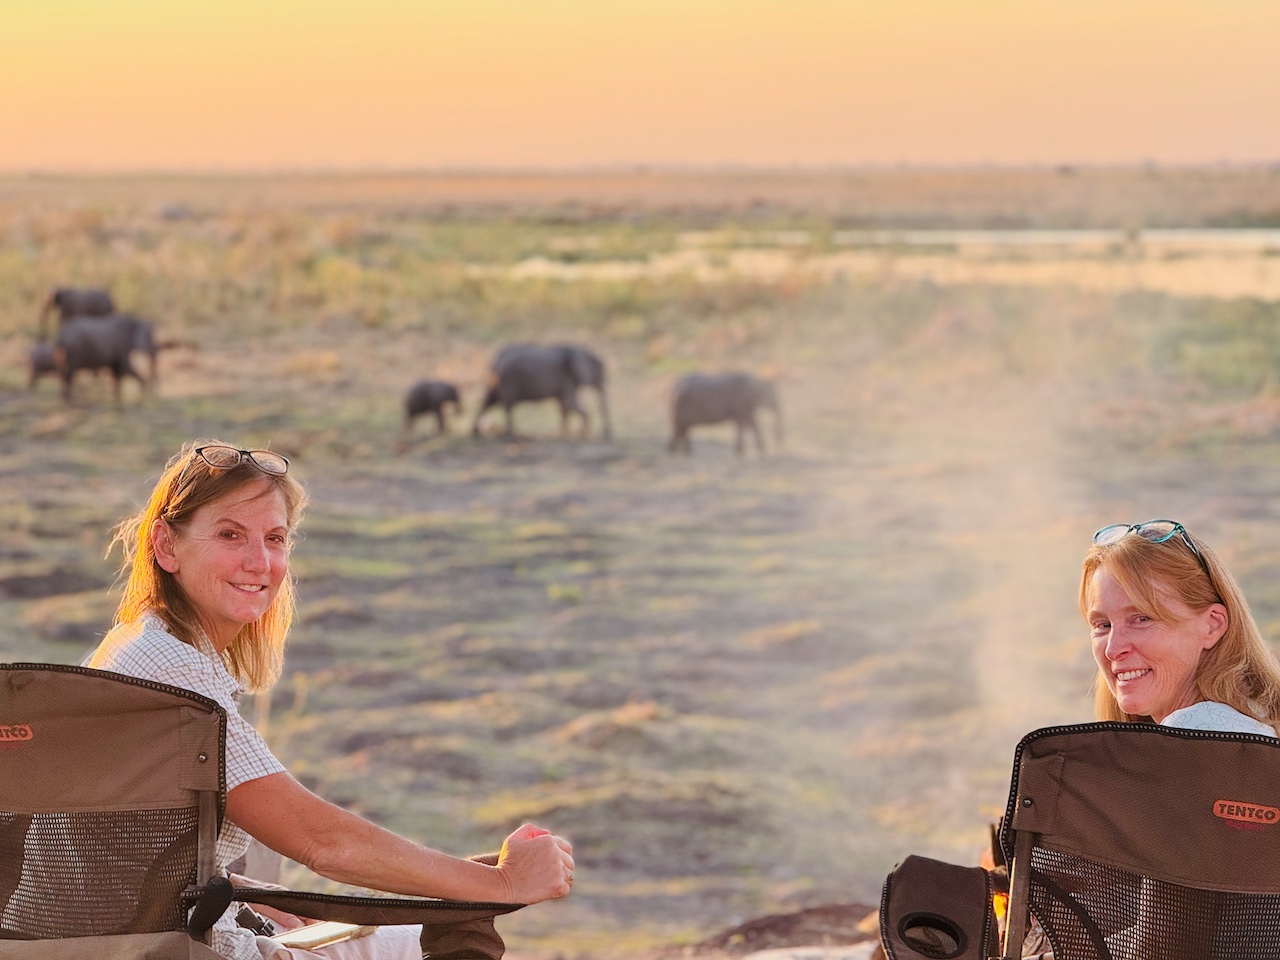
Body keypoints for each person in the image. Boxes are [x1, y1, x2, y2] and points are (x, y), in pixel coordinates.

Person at [87, 440, 574, 960]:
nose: (260, 561)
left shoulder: (137, 646)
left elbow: (128, 850)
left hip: (120, 939)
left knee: (406, 938)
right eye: (230, 534)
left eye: (275, 538)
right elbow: (322, 842)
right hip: (175, 950)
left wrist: (246, 893)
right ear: (165, 545)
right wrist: (501, 885)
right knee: (448, 937)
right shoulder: (173, 672)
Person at [1083, 519, 1280, 737]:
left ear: (1212, 625)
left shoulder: (1190, 742)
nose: (1112, 649)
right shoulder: (1250, 729)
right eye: (1103, 625)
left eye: (1142, 618)